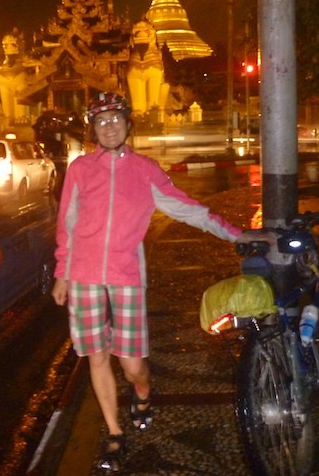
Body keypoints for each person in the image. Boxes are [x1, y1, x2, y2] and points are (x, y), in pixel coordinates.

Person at [51, 92, 242, 472]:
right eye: (101, 121)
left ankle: (143, 392)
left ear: (127, 125)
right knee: (96, 356)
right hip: (84, 275)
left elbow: (187, 208)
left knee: (133, 364)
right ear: (93, 129)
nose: (109, 126)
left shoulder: (145, 170)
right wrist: (62, 272)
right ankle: (115, 431)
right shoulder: (80, 170)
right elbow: (67, 223)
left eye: (115, 119)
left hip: (126, 276)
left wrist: (238, 235)